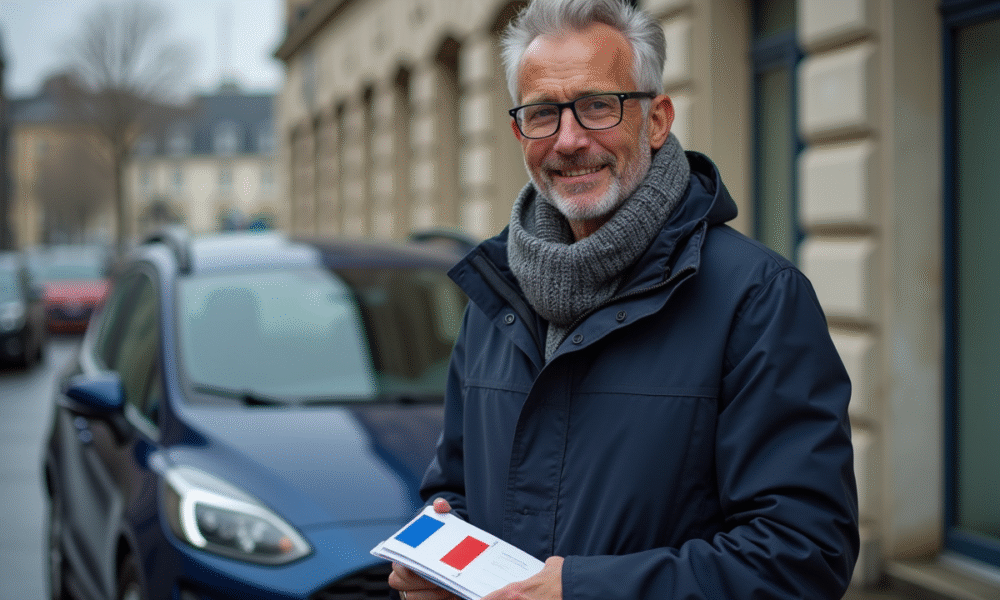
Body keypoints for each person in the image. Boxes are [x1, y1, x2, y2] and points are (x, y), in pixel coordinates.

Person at [389, 0, 859, 598]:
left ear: (657, 120)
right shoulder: (495, 291)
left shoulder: (758, 299)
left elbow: (804, 554)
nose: (568, 140)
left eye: (597, 106)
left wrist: (584, 590)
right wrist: (437, 559)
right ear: (519, 132)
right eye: (542, 113)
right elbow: (454, 486)